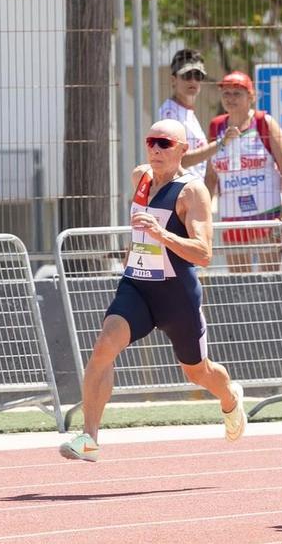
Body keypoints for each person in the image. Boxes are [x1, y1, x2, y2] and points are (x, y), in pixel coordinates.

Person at [60, 118, 246, 462]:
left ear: (182, 150)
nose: (156, 149)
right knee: (104, 346)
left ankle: (230, 398)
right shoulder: (140, 177)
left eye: (165, 143)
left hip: (175, 293)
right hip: (137, 286)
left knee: (197, 372)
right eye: (151, 142)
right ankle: (89, 437)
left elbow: (204, 254)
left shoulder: (192, 192)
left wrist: (162, 235)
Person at [205, 71, 282, 271]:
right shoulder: (216, 127)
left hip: (266, 215)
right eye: (226, 93)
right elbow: (211, 176)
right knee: (240, 283)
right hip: (232, 218)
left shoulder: (264, 123)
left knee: (270, 281)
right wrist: (202, 214)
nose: (230, 98)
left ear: (251, 96)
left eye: (237, 93)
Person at [155, 48, 217, 175]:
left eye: (198, 76)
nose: (193, 81)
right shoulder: (169, 115)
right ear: (173, 80)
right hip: (181, 191)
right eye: (187, 75)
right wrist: (220, 144)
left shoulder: (187, 112)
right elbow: (177, 160)